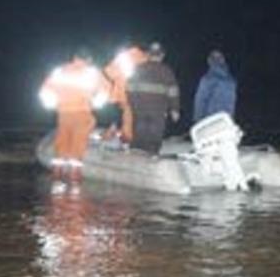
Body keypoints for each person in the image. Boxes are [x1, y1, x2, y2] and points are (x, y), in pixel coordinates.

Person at [38, 47, 110, 182]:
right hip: (82, 112)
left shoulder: (59, 71)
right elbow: (105, 91)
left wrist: (53, 105)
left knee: (62, 141)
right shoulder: (92, 73)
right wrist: (96, 104)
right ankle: (74, 177)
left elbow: (45, 92)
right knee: (78, 143)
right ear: (89, 59)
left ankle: (57, 175)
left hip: (63, 113)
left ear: (74, 57)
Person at [126, 42, 180, 154]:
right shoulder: (167, 71)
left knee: (139, 135)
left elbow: (129, 89)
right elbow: (173, 92)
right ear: (162, 55)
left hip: (139, 109)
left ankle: (136, 157)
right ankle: (152, 155)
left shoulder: (138, 68)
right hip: (158, 111)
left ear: (148, 55)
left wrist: (133, 105)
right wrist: (175, 110)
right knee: (154, 138)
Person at [103, 43, 148, 144]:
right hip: (138, 93)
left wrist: (118, 80)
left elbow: (108, 72)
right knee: (132, 115)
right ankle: (127, 137)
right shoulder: (145, 59)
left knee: (123, 114)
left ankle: (120, 134)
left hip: (121, 91)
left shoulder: (123, 57)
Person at [193, 50, 237, 122]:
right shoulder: (230, 80)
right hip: (220, 120)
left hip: (216, 120)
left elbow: (200, 100)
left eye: (219, 57)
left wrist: (197, 119)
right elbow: (200, 100)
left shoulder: (209, 78)